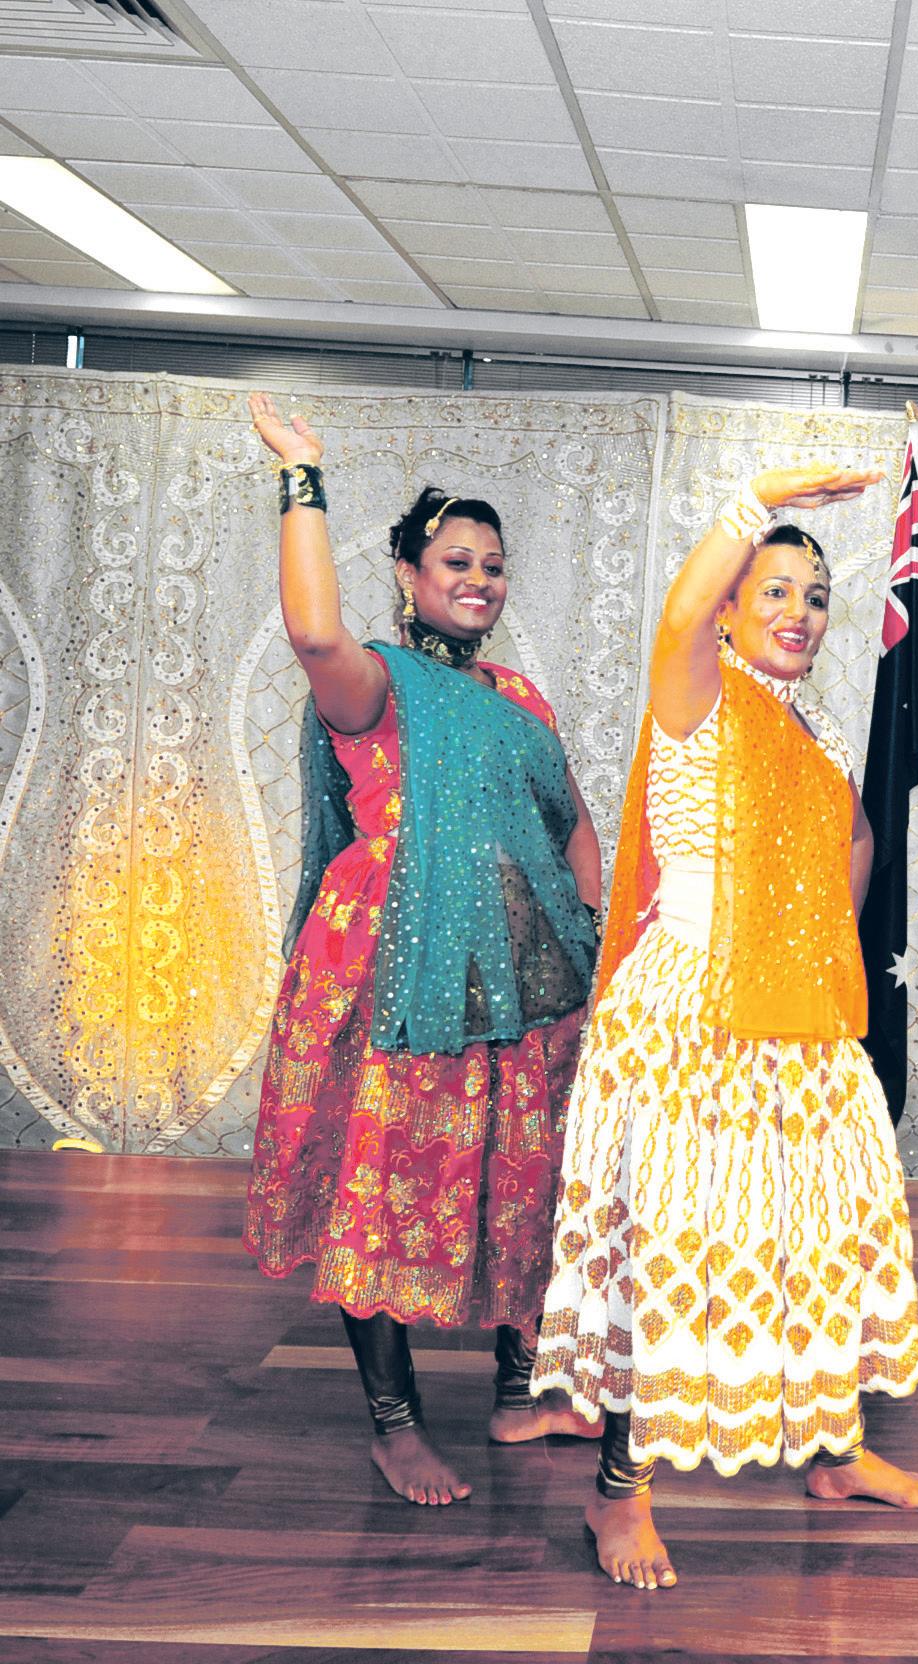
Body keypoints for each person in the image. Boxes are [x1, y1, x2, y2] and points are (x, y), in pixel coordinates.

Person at [531, 466, 918, 1593]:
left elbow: (852, 852)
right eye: (774, 589)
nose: (799, 612)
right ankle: (618, 1489)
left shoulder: (814, 732)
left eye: (816, 596)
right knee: (680, 1243)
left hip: (797, 1019)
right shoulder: (698, 695)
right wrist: (758, 496)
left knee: (817, 1237)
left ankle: (834, 1454)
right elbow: (674, 614)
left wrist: (811, 961)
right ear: (727, 607)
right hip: (692, 1019)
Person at [241, 391, 604, 1507]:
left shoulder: (519, 697)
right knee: (385, 1181)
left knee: (526, 1176)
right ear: (407, 573)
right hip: (392, 973)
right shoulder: (378, 686)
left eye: (493, 565)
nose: (479, 580)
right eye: (456, 561)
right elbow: (313, 633)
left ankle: (519, 1388)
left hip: (525, 978)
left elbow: (573, 826)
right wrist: (302, 474)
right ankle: (394, 1425)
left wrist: (590, 944)